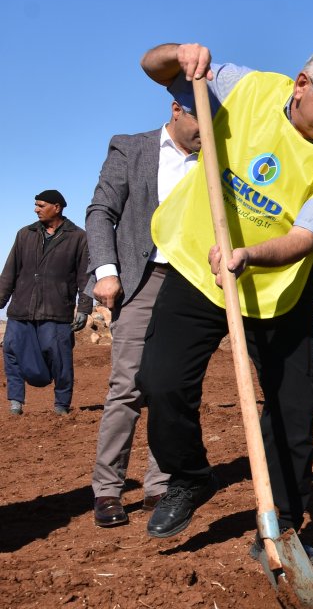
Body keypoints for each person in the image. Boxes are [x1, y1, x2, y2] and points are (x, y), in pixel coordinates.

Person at [134, 42, 313, 565]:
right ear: (301, 83)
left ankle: (282, 523)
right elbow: (154, 68)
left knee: (295, 406)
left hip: (277, 292)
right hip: (198, 268)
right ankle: (190, 477)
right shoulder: (247, 88)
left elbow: (308, 238)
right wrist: (180, 53)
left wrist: (248, 255)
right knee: (161, 381)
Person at [85, 96, 200, 528]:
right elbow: (101, 212)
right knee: (129, 385)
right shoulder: (130, 148)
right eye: (201, 119)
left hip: (192, 283)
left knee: (171, 385)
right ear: (176, 109)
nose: (209, 131)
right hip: (142, 278)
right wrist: (107, 271)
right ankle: (108, 489)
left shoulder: (216, 160)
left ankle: (160, 483)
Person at [0, 190, 91, 416]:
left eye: (41, 205)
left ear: (57, 207)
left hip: (56, 310)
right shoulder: (25, 234)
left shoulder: (78, 237)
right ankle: (15, 403)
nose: (36, 209)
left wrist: (85, 308)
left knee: (60, 359)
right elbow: (9, 273)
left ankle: (61, 405)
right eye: (36, 205)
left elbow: (85, 276)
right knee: (11, 350)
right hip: (21, 309)